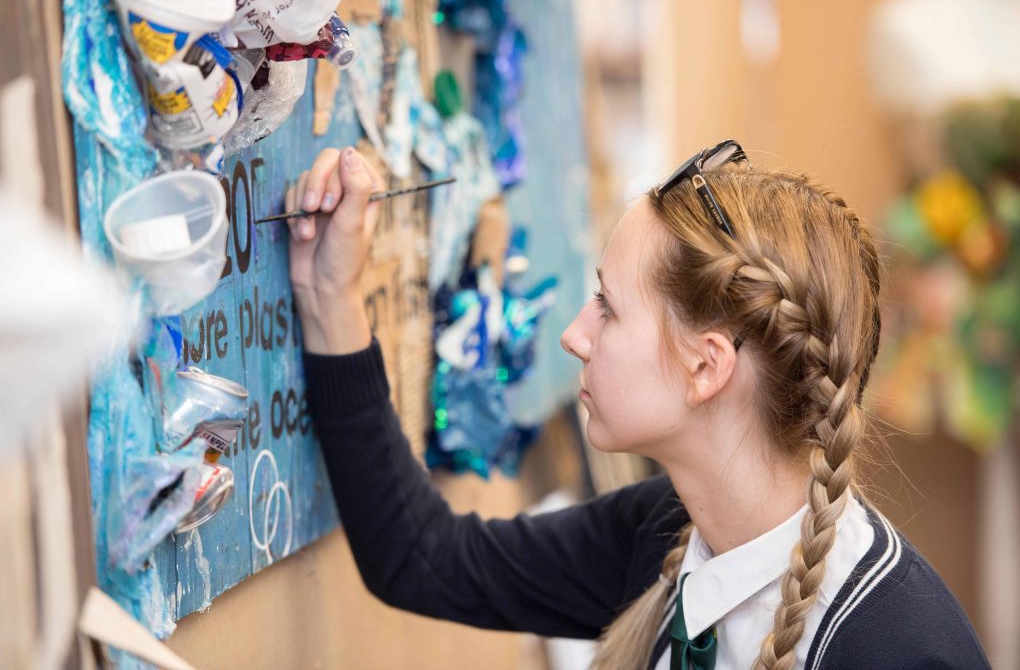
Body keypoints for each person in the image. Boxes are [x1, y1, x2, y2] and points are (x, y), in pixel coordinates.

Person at [285, 143, 990, 670]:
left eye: (608, 308)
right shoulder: (662, 531)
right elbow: (420, 556)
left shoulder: (898, 646)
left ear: (706, 367)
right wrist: (329, 300)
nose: (574, 335)